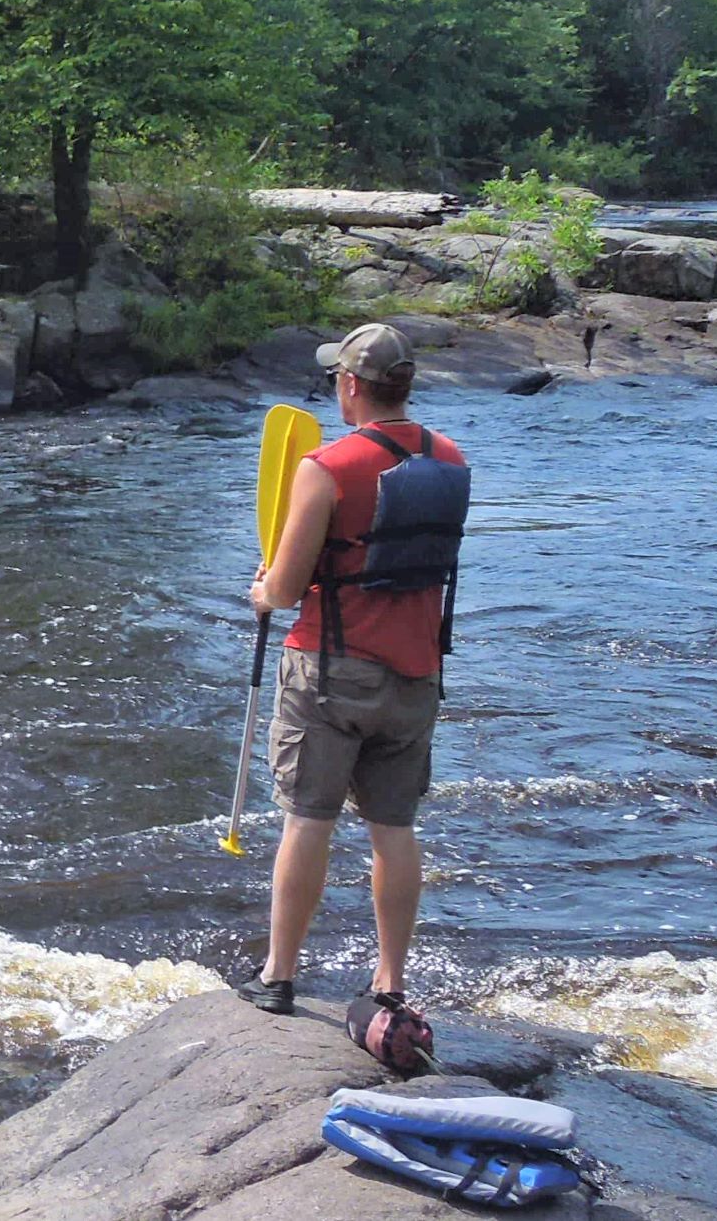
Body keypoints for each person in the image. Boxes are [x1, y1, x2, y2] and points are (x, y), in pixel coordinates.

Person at [238, 322, 468, 1019]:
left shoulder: (326, 466)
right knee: (392, 828)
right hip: (416, 675)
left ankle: (278, 976)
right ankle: (389, 982)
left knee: (307, 820)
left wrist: (261, 590)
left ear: (348, 384)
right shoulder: (450, 458)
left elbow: (282, 588)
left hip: (330, 673)